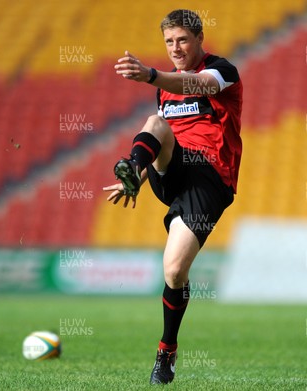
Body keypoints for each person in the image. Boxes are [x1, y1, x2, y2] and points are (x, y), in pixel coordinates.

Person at [103, 9, 242, 384]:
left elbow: (198, 86)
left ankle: (166, 352)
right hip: (171, 172)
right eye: (169, 41)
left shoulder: (223, 70)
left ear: (199, 39)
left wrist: (150, 73)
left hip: (208, 178)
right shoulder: (164, 87)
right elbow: (162, 136)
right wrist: (137, 175)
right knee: (157, 123)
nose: (176, 48)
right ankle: (130, 169)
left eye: (182, 40)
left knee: (174, 271)